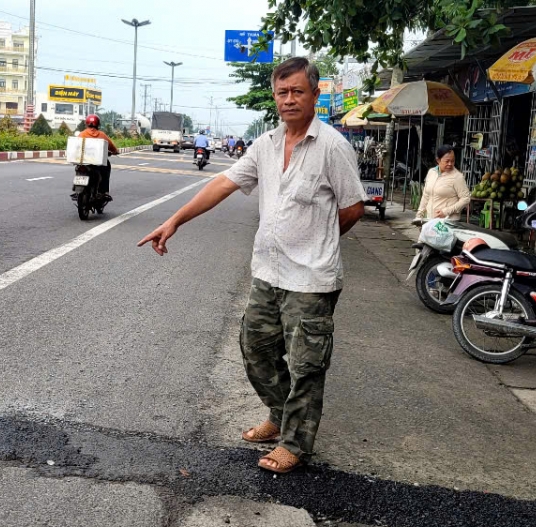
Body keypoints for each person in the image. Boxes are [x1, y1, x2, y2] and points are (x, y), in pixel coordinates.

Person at [138, 57, 366, 474]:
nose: (289, 99)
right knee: (256, 350)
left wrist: (319, 241)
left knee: (306, 364)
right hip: (268, 272)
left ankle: (296, 444)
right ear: (274, 97)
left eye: (298, 91)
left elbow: (353, 208)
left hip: (311, 280)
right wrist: (174, 221)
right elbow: (222, 184)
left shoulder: (333, 146)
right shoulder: (266, 144)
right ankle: (279, 415)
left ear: (315, 94)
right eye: (282, 92)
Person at [415, 145, 470, 221]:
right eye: (447, 161)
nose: (450, 164)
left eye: (452, 161)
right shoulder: (432, 172)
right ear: (438, 160)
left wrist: (446, 211)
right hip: (431, 219)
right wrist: (419, 214)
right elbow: (426, 195)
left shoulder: (457, 177)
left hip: (448, 221)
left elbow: (466, 198)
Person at [78, 114, 119, 201]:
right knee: (106, 167)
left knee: (78, 169)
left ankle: (78, 189)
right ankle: (103, 192)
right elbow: (112, 147)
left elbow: (76, 146)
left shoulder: (82, 134)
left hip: (84, 161)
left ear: (87, 123)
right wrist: (115, 151)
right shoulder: (102, 135)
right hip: (97, 163)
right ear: (98, 124)